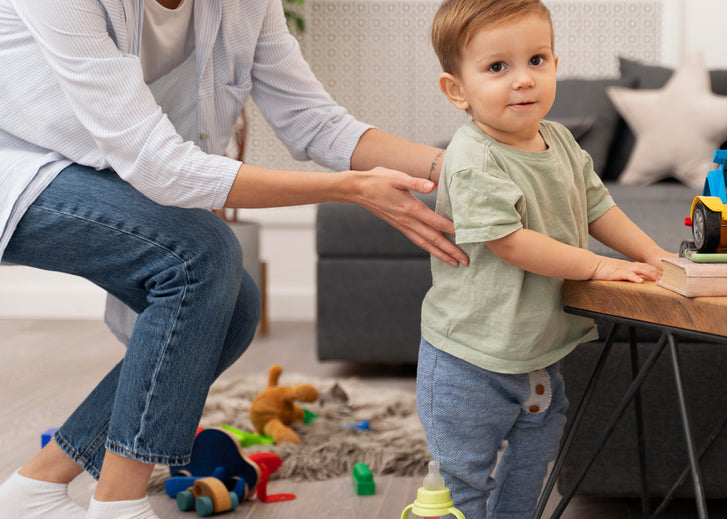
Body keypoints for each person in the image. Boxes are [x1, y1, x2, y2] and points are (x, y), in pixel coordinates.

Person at [0, 0, 468, 518]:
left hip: (85, 170)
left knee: (236, 307)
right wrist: (345, 189)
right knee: (198, 255)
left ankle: (34, 489)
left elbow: (314, 121)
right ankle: (118, 505)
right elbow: (157, 163)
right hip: (13, 164)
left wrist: (464, 166)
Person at [419, 0, 675, 516]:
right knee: (464, 478)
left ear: (556, 64)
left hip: (538, 352)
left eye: (536, 60)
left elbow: (599, 206)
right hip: (470, 357)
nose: (523, 80)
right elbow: (509, 241)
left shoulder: (558, 140)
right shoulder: (472, 157)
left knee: (533, 470)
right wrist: (598, 265)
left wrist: (651, 252)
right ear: (457, 90)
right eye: (497, 67)